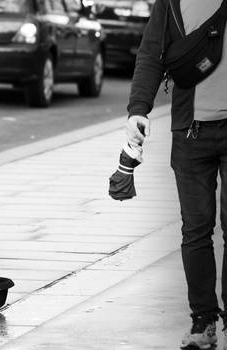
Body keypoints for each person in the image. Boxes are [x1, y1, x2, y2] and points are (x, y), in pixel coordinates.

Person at [125, 0, 227, 348]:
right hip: (189, 131)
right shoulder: (171, 1)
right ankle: (203, 322)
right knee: (196, 230)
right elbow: (151, 53)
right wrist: (138, 109)